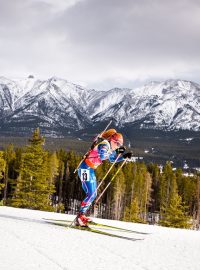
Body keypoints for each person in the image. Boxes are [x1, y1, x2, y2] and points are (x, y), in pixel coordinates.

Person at [75, 129, 133, 227]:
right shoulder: (105, 144)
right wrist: (118, 151)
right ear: (112, 141)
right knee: (91, 194)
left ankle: (81, 215)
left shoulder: (110, 148)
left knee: (93, 194)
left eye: (119, 145)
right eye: (117, 144)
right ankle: (80, 216)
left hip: (91, 169)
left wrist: (123, 156)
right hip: (85, 168)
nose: (117, 147)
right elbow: (102, 156)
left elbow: (112, 160)